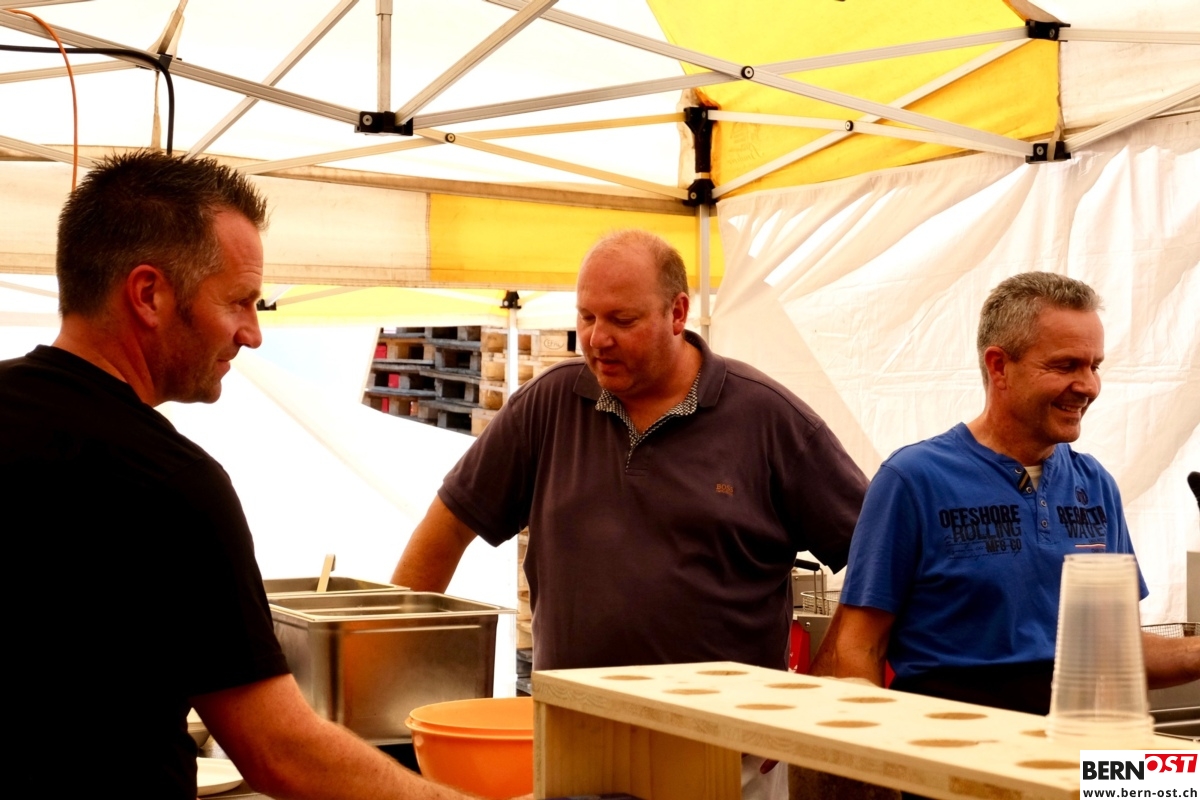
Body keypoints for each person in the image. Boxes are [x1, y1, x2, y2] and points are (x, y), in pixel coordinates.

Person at [1, 151, 505, 800]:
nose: (253, 333)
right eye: (239, 301)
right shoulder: (173, 485)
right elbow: (281, 752)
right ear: (149, 294)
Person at [393, 229, 868, 798]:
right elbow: (444, 530)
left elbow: (878, 562)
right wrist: (396, 686)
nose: (598, 339)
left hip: (723, 762)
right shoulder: (549, 405)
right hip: (572, 751)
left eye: (622, 320)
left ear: (678, 313)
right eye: (586, 317)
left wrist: (813, 695)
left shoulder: (768, 419)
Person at [812, 272, 1199, 712]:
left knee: (1170, 763)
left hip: (1078, 740)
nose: (1089, 386)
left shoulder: (1094, 484)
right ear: (999, 366)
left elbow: (1119, 651)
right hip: (955, 743)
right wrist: (878, 749)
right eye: (1065, 366)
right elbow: (858, 647)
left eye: (1094, 366)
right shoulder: (914, 479)